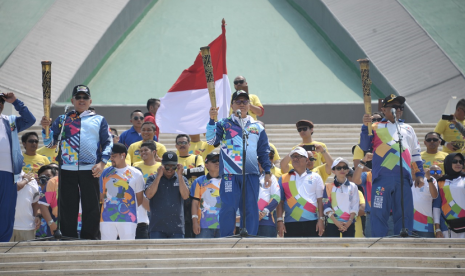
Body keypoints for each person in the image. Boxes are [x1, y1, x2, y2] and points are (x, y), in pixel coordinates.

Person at [40, 84, 113, 240]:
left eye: (85, 97)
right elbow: (49, 143)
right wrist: (45, 129)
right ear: (72, 100)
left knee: (92, 205)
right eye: (78, 97)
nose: (81, 100)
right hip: (67, 168)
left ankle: (90, 238)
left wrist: (102, 163)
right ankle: (68, 237)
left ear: (90, 100)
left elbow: (108, 142)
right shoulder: (63, 119)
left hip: (91, 168)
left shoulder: (99, 120)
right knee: (67, 206)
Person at [207, 90, 272, 237]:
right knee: (229, 206)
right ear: (232, 105)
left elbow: (263, 152)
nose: (241, 104)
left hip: (251, 174)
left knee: (250, 207)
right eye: (238, 101)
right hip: (230, 174)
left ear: (249, 105)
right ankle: (226, 236)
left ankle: (251, 236)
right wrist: (212, 121)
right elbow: (211, 141)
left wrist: (267, 172)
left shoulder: (257, 127)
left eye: (245, 101)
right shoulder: (223, 124)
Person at [360, 94, 425, 237]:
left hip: (404, 177)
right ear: (384, 109)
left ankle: (404, 242)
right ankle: (379, 242)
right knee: (379, 211)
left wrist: (419, 174)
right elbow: (365, 146)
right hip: (382, 177)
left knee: (404, 213)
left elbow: (415, 154)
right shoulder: (375, 126)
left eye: (400, 107)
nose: (398, 109)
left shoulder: (408, 128)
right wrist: (365, 127)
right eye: (394, 107)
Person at [0, 92, 36, 242]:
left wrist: (15, 101)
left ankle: (2, 244)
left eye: (1, 102)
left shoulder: (10, 121)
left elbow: (30, 119)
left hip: (7, 173)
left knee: (6, 210)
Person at [99, 143, 144, 240]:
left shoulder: (136, 174)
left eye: (114, 156)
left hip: (128, 218)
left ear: (123, 155)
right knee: (107, 250)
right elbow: (101, 196)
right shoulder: (105, 173)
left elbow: (139, 200)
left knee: (128, 250)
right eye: (110, 156)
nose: (111, 159)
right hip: (107, 218)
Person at [276, 147, 325, 238]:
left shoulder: (316, 177)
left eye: (298, 156)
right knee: (292, 251)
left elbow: (320, 200)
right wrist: (279, 221)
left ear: (306, 160)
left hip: (312, 221)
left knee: (311, 251)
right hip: (290, 222)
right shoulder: (283, 178)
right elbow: (280, 202)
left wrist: (321, 220)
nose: (295, 159)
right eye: (293, 156)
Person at [145, 151, 190, 239]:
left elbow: (185, 196)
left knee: (177, 253)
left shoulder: (182, 179)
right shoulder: (153, 178)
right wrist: (158, 176)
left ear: (177, 166)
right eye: (167, 166)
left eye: (173, 166)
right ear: (162, 166)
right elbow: (149, 195)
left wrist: (180, 176)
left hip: (177, 227)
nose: (170, 169)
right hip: (157, 227)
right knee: (157, 253)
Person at [175, 134, 205, 238]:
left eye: (184, 142)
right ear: (175, 145)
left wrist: (182, 172)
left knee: (194, 222)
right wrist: (191, 172)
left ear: (189, 144)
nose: (182, 145)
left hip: (194, 196)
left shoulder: (197, 157)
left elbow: (201, 171)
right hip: (177, 196)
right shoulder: (173, 159)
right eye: (179, 143)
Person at [323, 158, 359, 238]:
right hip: (332, 222)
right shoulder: (328, 186)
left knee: (349, 248)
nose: (342, 170)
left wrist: (349, 222)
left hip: (349, 223)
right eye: (338, 168)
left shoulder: (353, 186)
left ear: (347, 170)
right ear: (333, 171)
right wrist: (336, 222)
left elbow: (355, 205)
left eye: (345, 167)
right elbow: (326, 205)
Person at [433, 153, 465, 238]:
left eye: (460, 162)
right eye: (454, 161)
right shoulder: (440, 182)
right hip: (447, 226)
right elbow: (436, 206)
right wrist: (437, 229)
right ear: (448, 163)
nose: (458, 164)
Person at [191, 153, 222, 238]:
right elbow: (195, 203)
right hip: (203, 225)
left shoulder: (227, 181)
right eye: (214, 161)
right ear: (206, 165)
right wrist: (194, 222)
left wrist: (232, 224)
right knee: (202, 251)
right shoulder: (199, 181)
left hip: (223, 224)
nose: (217, 163)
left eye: (219, 160)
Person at [133, 141, 160, 239]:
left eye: (145, 150)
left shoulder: (160, 167)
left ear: (154, 152)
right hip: (140, 201)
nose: (143, 153)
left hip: (156, 202)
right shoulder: (136, 165)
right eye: (141, 151)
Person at [10, 171, 40, 241]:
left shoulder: (32, 181)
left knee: (27, 251)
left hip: (27, 227)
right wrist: (26, 180)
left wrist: (37, 215)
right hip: (5, 227)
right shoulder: (4, 177)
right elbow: (15, 187)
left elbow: (35, 203)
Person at [411, 166, 438, 238]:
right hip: (409, 225)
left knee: (427, 248)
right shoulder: (406, 180)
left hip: (425, 225)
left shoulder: (430, 179)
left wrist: (429, 179)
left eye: (414, 166)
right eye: (411, 166)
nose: (413, 168)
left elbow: (435, 196)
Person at [257, 159, 281, 237]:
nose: (259, 164)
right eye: (256, 161)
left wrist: (264, 211)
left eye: (260, 161)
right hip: (249, 221)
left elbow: (276, 197)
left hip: (267, 221)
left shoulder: (271, 177)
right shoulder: (245, 177)